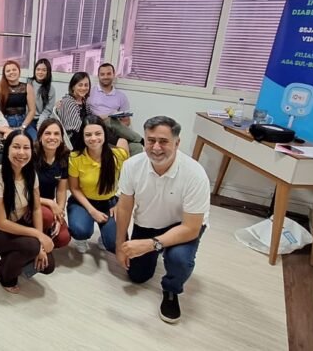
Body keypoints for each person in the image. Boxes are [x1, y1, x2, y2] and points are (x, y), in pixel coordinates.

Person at [115, 116, 210, 324]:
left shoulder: (195, 174)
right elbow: (124, 207)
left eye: (164, 141)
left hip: (182, 225)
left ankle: (171, 290)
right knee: (137, 276)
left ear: (177, 143)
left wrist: (151, 244)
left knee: (179, 260)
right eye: (150, 140)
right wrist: (119, 243)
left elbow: (192, 228)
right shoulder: (132, 165)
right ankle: (157, 251)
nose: (156, 147)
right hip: (148, 222)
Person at [0, 130, 55, 293]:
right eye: (16, 147)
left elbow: (36, 208)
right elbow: (1, 222)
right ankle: (3, 274)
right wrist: (38, 236)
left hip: (16, 223)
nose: (21, 152)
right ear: (7, 150)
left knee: (48, 265)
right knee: (32, 246)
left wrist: (40, 244)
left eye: (26, 148)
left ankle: (12, 256)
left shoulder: (30, 173)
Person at [67, 115, 129, 253]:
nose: (93, 138)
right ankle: (81, 238)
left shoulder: (118, 155)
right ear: (82, 137)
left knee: (114, 244)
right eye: (88, 134)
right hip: (83, 201)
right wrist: (92, 211)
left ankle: (105, 236)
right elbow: (74, 188)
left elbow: (129, 184)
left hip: (110, 202)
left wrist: (119, 204)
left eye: (98, 133)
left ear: (105, 134)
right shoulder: (75, 157)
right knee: (80, 230)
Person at [89, 63, 144, 156]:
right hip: (97, 127)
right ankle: (141, 139)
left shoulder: (121, 96)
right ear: (98, 76)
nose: (105, 77)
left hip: (115, 131)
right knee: (109, 119)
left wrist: (119, 123)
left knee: (137, 147)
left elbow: (127, 121)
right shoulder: (90, 92)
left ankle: (127, 170)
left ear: (113, 75)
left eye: (108, 74)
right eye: (102, 74)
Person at [33, 119, 71, 249]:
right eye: (47, 133)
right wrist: (50, 203)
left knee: (63, 238)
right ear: (40, 136)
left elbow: (61, 190)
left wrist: (59, 212)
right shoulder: (31, 155)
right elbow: (23, 192)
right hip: (29, 202)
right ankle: (35, 241)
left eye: (56, 134)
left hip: (49, 206)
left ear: (61, 137)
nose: (52, 137)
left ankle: (44, 234)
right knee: (48, 216)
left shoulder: (64, 157)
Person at [0, 61, 36, 140]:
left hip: (24, 122)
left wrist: (23, 127)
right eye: (8, 71)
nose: (11, 72)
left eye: (14, 69)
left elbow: (32, 110)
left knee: (35, 141)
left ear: (19, 71)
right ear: (4, 74)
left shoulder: (27, 87)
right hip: (5, 123)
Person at [57, 71, 92, 146]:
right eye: (80, 85)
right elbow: (77, 127)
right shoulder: (68, 101)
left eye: (86, 85)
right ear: (73, 86)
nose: (83, 88)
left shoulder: (84, 101)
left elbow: (91, 119)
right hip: (72, 139)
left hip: (84, 135)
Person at [29, 59, 55, 127]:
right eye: (38, 69)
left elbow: (47, 111)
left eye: (44, 70)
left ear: (48, 72)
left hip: (42, 120)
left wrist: (39, 124)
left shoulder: (51, 89)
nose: (40, 72)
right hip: (27, 119)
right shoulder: (28, 84)